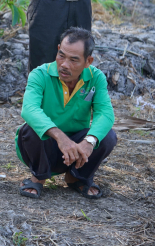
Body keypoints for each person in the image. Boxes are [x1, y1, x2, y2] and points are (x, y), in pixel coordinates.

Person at [16, 27, 116, 199]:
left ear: (88, 61)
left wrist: (89, 142)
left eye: (74, 60)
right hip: (45, 146)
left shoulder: (96, 78)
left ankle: (77, 177)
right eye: (61, 55)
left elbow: (105, 114)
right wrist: (61, 138)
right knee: (31, 129)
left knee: (107, 136)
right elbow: (29, 109)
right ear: (57, 50)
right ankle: (38, 177)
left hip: (78, 150)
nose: (64, 64)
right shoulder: (40, 74)